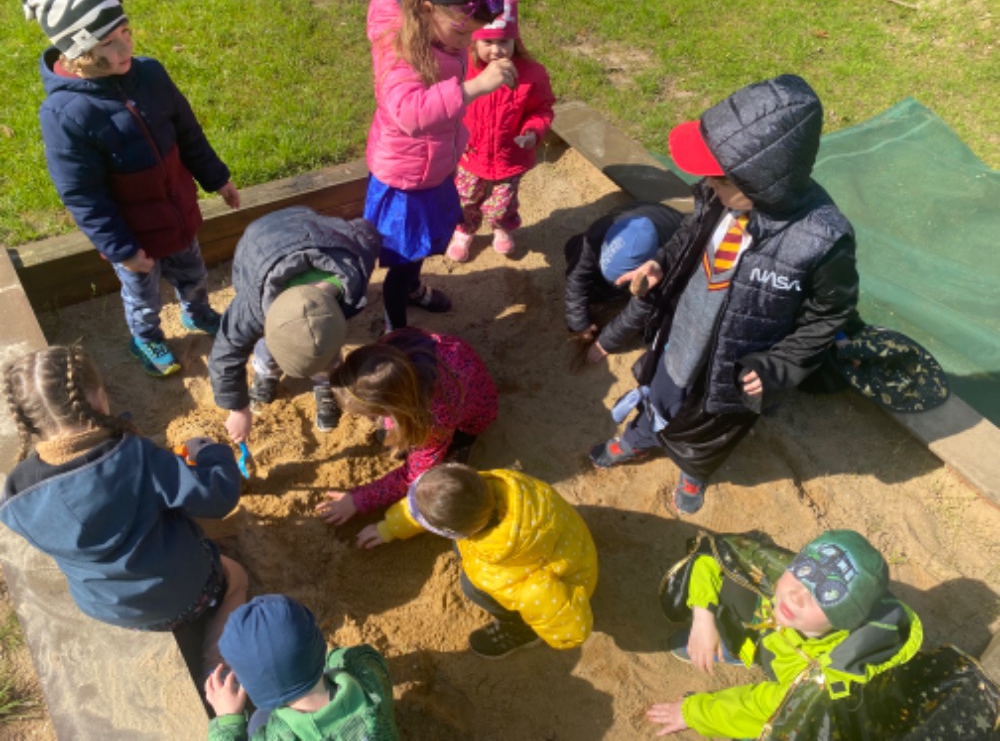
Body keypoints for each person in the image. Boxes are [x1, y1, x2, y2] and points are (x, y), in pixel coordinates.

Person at [589, 74, 859, 515]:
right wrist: (661, 262)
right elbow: (688, 237)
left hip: (734, 366)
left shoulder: (821, 241)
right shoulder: (723, 197)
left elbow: (830, 313)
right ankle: (638, 438)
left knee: (712, 428)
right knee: (661, 392)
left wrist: (783, 365)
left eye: (717, 179)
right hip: (681, 335)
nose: (706, 184)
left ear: (760, 183)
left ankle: (693, 471)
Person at [24, 0, 241, 377]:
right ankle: (146, 337)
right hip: (133, 236)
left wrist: (217, 178)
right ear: (78, 52)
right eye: (108, 42)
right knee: (143, 296)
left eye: (125, 31)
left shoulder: (151, 75)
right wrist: (121, 250)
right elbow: (82, 194)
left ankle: (196, 312)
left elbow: (188, 133)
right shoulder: (65, 114)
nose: (125, 47)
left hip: (176, 215)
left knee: (193, 274)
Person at [0, 345, 248, 675]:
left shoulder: (17, 495)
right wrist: (210, 452)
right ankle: (216, 665)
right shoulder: (136, 458)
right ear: (99, 399)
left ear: (28, 421)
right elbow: (219, 497)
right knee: (236, 578)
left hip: (107, 608)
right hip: (184, 594)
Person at [647, 529, 922, 739]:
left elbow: (759, 708)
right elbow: (713, 557)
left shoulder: (823, 679)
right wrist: (703, 618)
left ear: (844, 621)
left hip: (799, 681)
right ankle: (735, 647)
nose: (796, 595)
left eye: (824, 596)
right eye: (804, 572)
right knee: (735, 585)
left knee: (776, 726)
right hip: (780, 646)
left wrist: (692, 711)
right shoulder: (785, 580)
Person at [364, 0, 517, 331]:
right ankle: (396, 329)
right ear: (427, 9)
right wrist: (473, 88)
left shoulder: (440, 28)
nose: (467, 42)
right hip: (404, 179)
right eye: (462, 33)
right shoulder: (398, 49)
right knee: (403, 257)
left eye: (472, 34)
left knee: (424, 244)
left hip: (434, 165)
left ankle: (413, 288)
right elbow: (409, 112)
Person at [357, 464, 598, 659]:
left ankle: (520, 631)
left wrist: (562, 637)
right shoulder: (489, 486)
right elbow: (432, 498)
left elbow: (570, 625)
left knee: (472, 587)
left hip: (569, 576)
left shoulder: (524, 583)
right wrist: (389, 527)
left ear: (458, 533)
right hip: (563, 538)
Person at [208, 207, 381, 442]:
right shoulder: (252, 308)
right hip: (259, 243)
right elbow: (225, 354)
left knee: (323, 347)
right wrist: (238, 409)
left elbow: (365, 234)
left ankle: (324, 382)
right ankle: (266, 372)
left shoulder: (351, 272)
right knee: (267, 346)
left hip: (311, 230)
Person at [315, 327, 498, 525]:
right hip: (452, 367)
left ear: (392, 408)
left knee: (432, 474)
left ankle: (460, 445)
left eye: (371, 414)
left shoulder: (433, 421)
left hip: (471, 416)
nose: (368, 419)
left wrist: (358, 500)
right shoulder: (391, 350)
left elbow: (413, 475)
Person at [445, 0, 555, 262]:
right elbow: (449, 104)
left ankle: (500, 226)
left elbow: (541, 109)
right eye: (488, 42)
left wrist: (532, 132)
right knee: (465, 197)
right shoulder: (463, 69)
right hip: (471, 154)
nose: (496, 50)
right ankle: (464, 230)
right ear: (474, 41)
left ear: (515, 40)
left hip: (510, 156)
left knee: (503, 201)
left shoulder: (531, 74)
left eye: (504, 41)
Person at [206, 595, 399, 740]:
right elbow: (362, 655)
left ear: (253, 689)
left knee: (258, 720)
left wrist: (228, 720)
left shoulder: (275, 736)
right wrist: (329, 658)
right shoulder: (368, 673)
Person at [564, 203, 685, 364]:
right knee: (573, 248)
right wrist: (578, 321)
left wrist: (606, 342)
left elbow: (642, 308)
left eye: (622, 281)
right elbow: (578, 273)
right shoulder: (600, 231)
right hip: (642, 212)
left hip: (670, 238)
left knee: (657, 317)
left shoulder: (660, 267)